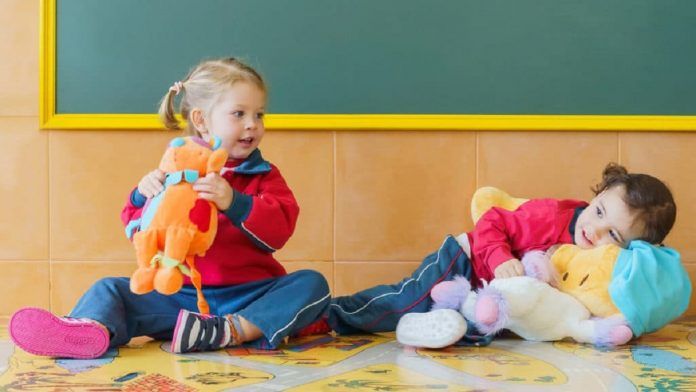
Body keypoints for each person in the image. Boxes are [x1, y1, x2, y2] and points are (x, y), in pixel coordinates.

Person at [9, 58, 330, 359]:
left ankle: (231, 331)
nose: (252, 125)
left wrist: (235, 202)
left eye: (259, 115)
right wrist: (141, 196)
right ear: (202, 120)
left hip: (249, 296)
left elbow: (279, 231)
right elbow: (141, 229)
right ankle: (89, 330)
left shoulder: (264, 176)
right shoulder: (174, 175)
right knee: (110, 287)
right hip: (181, 296)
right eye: (239, 114)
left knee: (311, 284)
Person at [299, 163, 677, 346]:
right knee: (403, 299)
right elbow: (492, 221)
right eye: (598, 211)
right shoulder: (554, 217)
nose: (592, 230)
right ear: (597, 195)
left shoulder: (606, 264)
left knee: (476, 334)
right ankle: (327, 315)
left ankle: (428, 326)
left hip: (484, 300)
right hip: (465, 260)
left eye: (613, 234)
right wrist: (499, 259)